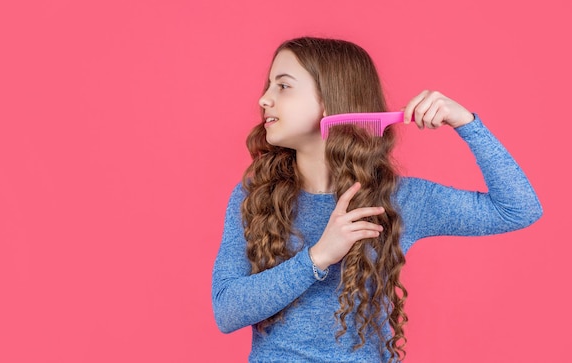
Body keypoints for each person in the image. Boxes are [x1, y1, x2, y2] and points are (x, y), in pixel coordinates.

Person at [211, 37, 542, 363]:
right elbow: (226, 311)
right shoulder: (255, 196)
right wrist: (319, 256)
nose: (265, 99)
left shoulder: (398, 200)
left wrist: (466, 123)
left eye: (283, 86)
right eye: (269, 86)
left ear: (331, 100)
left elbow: (518, 209)